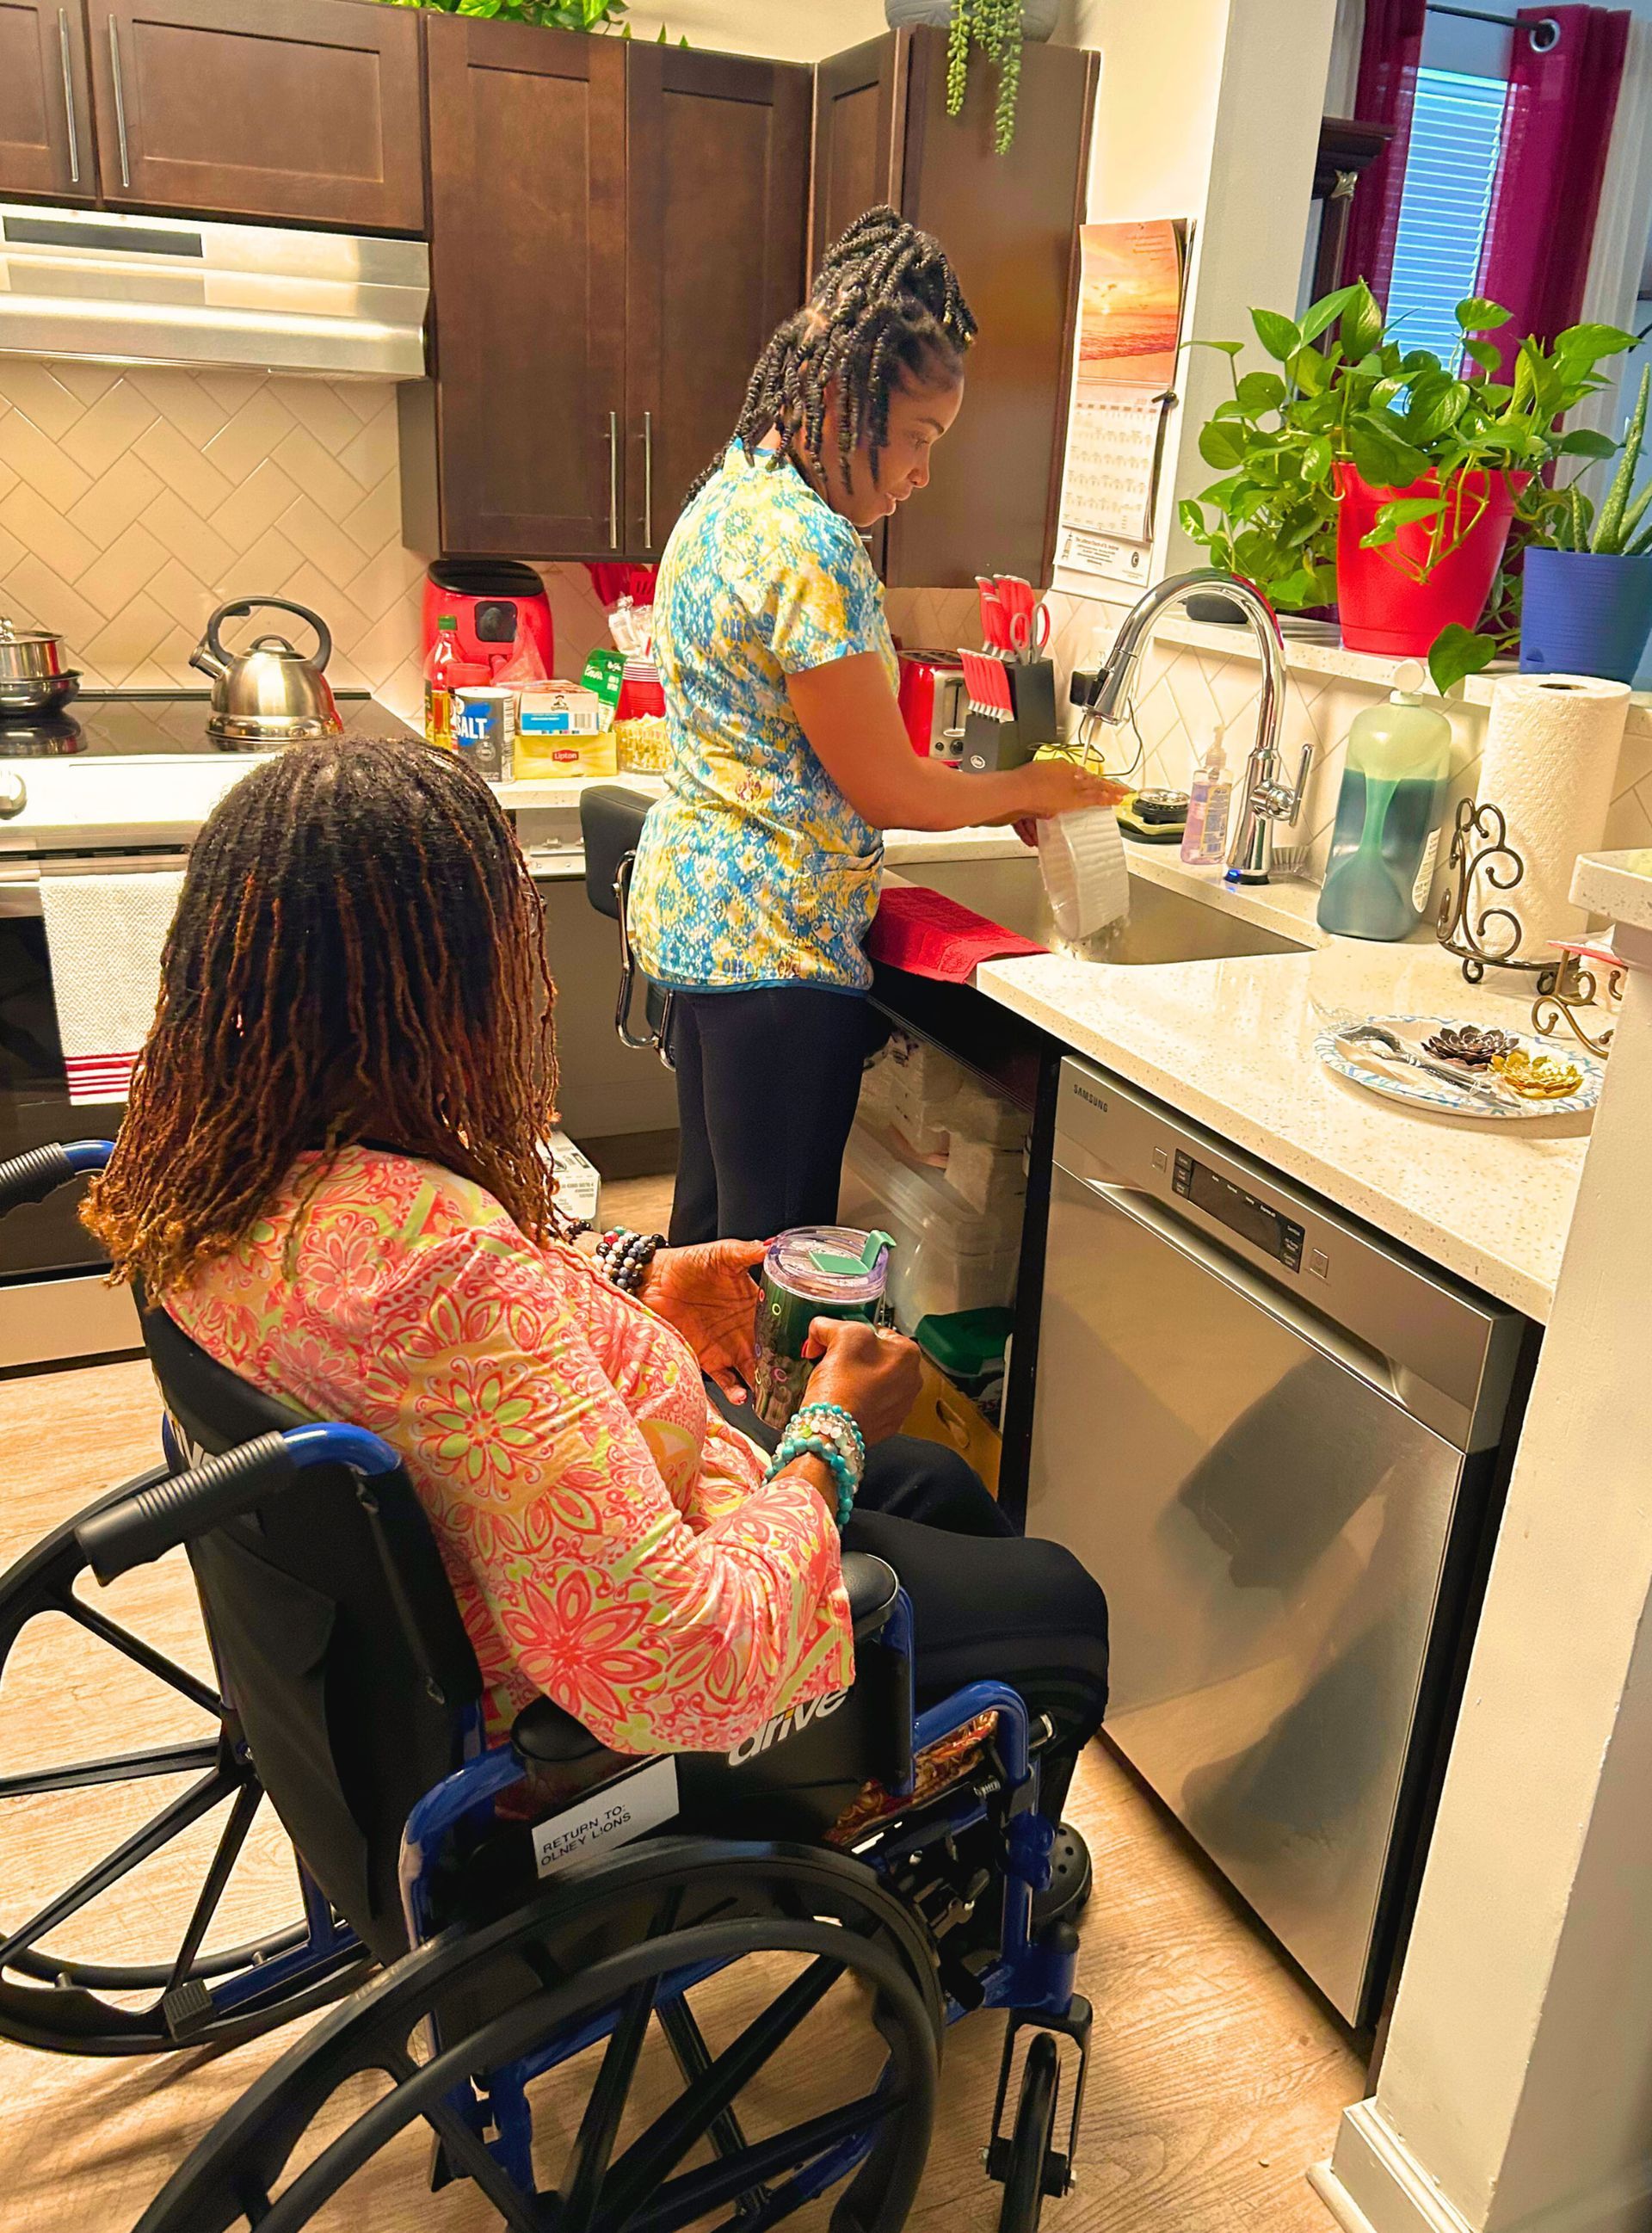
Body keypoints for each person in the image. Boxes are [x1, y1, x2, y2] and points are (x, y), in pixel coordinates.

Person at [85, 739, 1107, 1827]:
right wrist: (833, 1433)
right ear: (453, 977)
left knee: (940, 1488)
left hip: (431, 1624)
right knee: (1057, 1600)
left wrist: (638, 1277)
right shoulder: (444, 1268)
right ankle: (987, 1849)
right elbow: (678, 1658)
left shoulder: (211, 1168)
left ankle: (964, 1793)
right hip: (588, 1733)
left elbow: (454, 1332)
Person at [626, 207, 1117, 1246]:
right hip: (778, 944)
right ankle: (783, 1411)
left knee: (710, 1237)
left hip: (701, 918)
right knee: (781, 1258)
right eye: (919, 439)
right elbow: (890, 791)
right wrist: (1035, 787)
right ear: (836, 407)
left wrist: (1006, 792)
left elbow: (815, 746)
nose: (923, 472)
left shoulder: (726, 497)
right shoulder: (815, 548)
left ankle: (686, 1409)